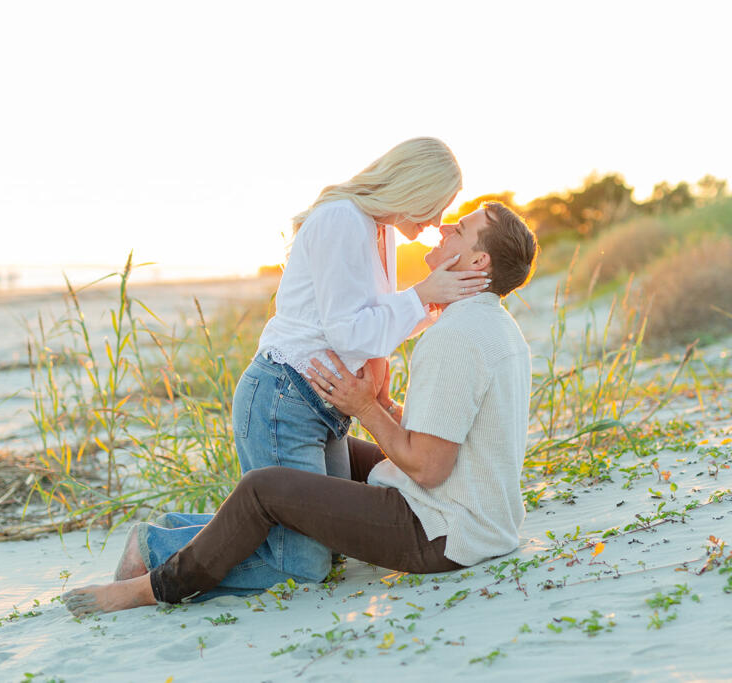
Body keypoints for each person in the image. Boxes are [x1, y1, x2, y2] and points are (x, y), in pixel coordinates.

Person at [63, 201, 538, 615]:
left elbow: (430, 469)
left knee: (265, 489)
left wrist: (366, 407)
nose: (445, 226)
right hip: (478, 515)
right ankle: (173, 536)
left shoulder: (453, 338)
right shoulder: (496, 327)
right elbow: (459, 436)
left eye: (461, 228)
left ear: (478, 260)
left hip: (439, 533)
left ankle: (153, 584)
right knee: (328, 447)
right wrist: (389, 408)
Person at [117, 138, 490, 597]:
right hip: (284, 398)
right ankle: (152, 546)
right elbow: (347, 332)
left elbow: (372, 321)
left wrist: (432, 304)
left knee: (324, 544)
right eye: (436, 206)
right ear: (414, 188)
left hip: (324, 406)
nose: (436, 222)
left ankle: (177, 531)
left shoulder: (379, 231)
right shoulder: (342, 220)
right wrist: (422, 295)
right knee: (301, 566)